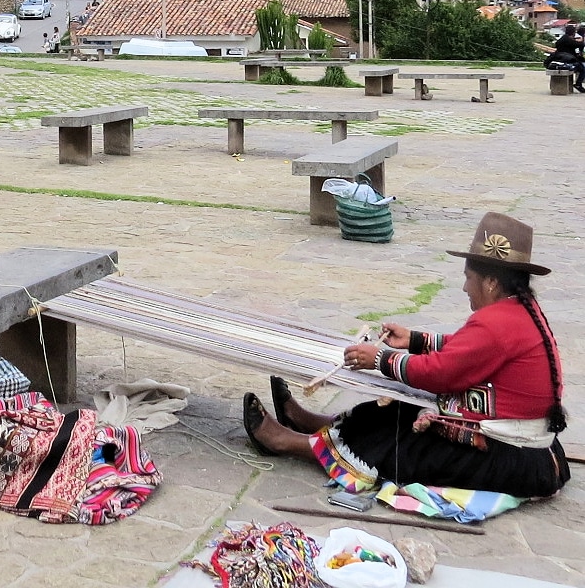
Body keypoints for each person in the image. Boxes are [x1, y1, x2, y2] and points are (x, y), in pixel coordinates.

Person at [243, 212, 570, 499]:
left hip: (509, 458)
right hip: (523, 451)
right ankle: (314, 424)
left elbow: (440, 374)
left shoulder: (499, 322)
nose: (465, 288)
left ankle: (288, 443)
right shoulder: (518, 311)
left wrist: (380, 360)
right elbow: (468, 348)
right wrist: (414, 340)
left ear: (491, 282)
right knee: (394, 411)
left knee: (398, 441)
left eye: (468, 278)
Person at [550, 24, 584, 93]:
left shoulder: (563, 38)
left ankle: (578, 84)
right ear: (573, 33)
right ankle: (578, 84)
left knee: (581, 63)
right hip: (567, 60)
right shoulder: (568, 40)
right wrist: (582, 42)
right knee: (583, 69)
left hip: (561, 59)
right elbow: (579, 45)